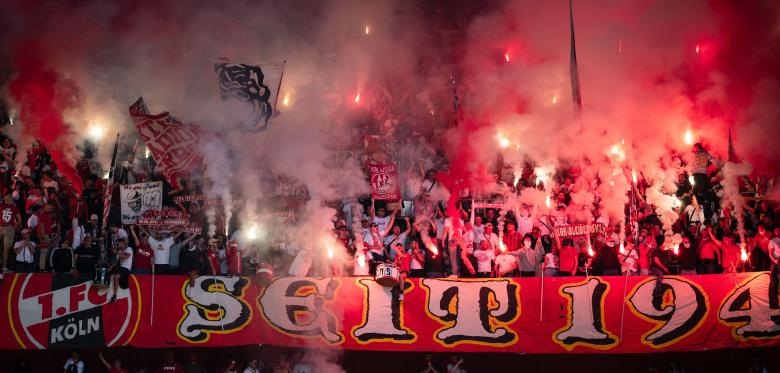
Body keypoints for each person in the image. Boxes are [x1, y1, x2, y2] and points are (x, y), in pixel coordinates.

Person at [0, 194, 21, 272]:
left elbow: (19, 219)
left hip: (7, 227)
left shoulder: (14, 208)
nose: (7, 200)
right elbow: (19, 220)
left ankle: (4, 267)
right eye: (6, 199)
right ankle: (3, 267)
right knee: (6, 249)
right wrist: (17, 226)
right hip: (6, 227)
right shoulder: (3, 206)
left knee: (6, 249)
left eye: (9, 199)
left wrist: (17, 227)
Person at [109, 237, 133, 303]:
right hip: (121, 268)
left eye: (118, 244)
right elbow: (116, 262)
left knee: (116, 277)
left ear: (122, 243)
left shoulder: (129, 248)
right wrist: (110, 267)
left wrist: (117, 252)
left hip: (126, 268)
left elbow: (126, 257)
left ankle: (114, 295)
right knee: (110, 274)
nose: (117, 245)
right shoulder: (120, 251)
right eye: (117, 244)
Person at [769, 230, 780, 309]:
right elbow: (770, 253)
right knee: (774, 281)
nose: (778, 232)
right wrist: (775, 261)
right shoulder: (773, 241)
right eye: (776, 231)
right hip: (776, 260)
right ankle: (774, 304)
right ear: (775, 233)